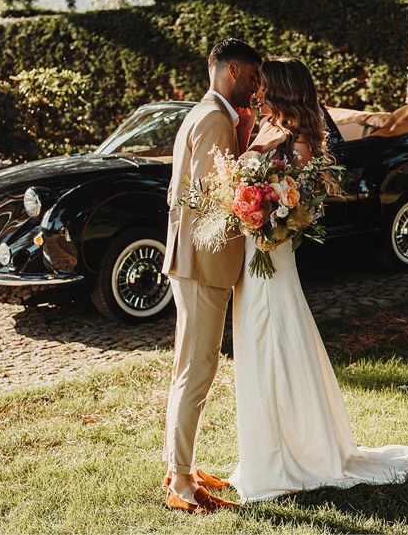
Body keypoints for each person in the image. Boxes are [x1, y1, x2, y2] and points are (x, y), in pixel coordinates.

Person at [228, 57, 408, 502]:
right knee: (262, 338)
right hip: (258, 250)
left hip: (271, 251)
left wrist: (257, 170)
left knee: (274, 337)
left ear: (280, 89)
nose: (255, 91)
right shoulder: (270, 126)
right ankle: (266, 448)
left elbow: (289, 197)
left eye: (262, 85)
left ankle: (299, 451)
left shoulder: (297, 138)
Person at [161, 38, 261, 513]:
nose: (257, 87)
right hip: (202, 264)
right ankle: (180, 482)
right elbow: (213, 196)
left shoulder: (201, 114)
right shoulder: (217, 119)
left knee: (190, 367)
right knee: (197, 371)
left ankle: (180, 464)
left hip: (191, 260)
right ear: (234, 71)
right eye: (254, 77)